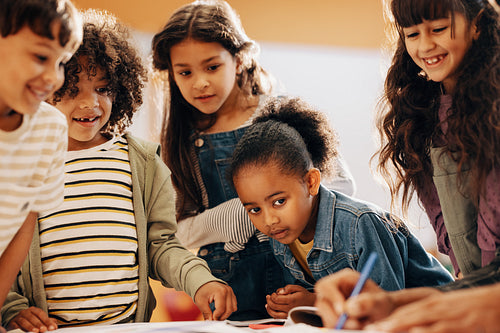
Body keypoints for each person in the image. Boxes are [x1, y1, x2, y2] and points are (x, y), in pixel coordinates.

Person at [1, 9, 236, 332]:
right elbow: (7, 242)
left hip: (126, 327)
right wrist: (11, 307)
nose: (90, 104)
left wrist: (200, 282)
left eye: (103, 89)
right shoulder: (31, 156)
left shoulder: (142, 161)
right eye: (73, 89)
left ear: (120, 90)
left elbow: (162, 244)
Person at [151, 0, 355, 320]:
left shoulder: (281, 112)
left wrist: (269, 209)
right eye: (185, 72)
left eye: (212, 66)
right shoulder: (178, 141)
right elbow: (176, 231)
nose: (199, 82)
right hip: (228, 291)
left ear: (239, 58)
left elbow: (341, 185)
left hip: (299, 282)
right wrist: (237, 214)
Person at [314, 0, 500, 330]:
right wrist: (390, 303)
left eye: (439, 29)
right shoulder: (420, 121)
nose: (425, 45)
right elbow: (465, 261)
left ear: (478, 23)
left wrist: (406, 304)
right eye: (412, 33)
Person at [228, 96, 453, 319]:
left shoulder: (361, 223)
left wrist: (315, 301)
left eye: (279, 202)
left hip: (441, 318)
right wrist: (296, 305)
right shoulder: (282, 237)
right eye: (254, 210)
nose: (269, 220)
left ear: (311, 183)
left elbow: (382, 306)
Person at [0, 0, 82, 331]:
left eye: (61, 61)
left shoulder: (50, 128)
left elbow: (24, 223)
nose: (53, 77)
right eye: (40, 57)